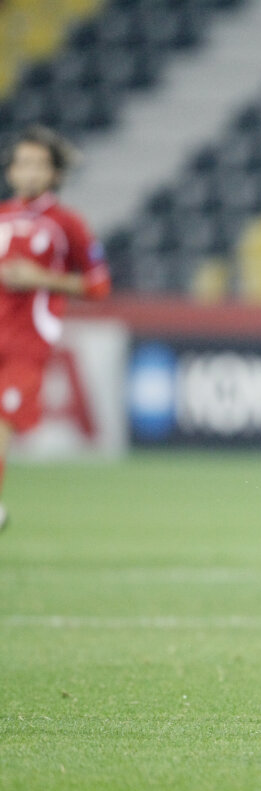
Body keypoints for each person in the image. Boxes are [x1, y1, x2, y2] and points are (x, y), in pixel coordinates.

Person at [0, 125, 111, 531]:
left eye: (38, 164)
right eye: (22, 163)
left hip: (27, 342)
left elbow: (99, 284)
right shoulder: (2, 215)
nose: (29, 172)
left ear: (55, 174)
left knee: (2, 420)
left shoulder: (67, 224)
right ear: (11, 171)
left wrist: (43, 278)